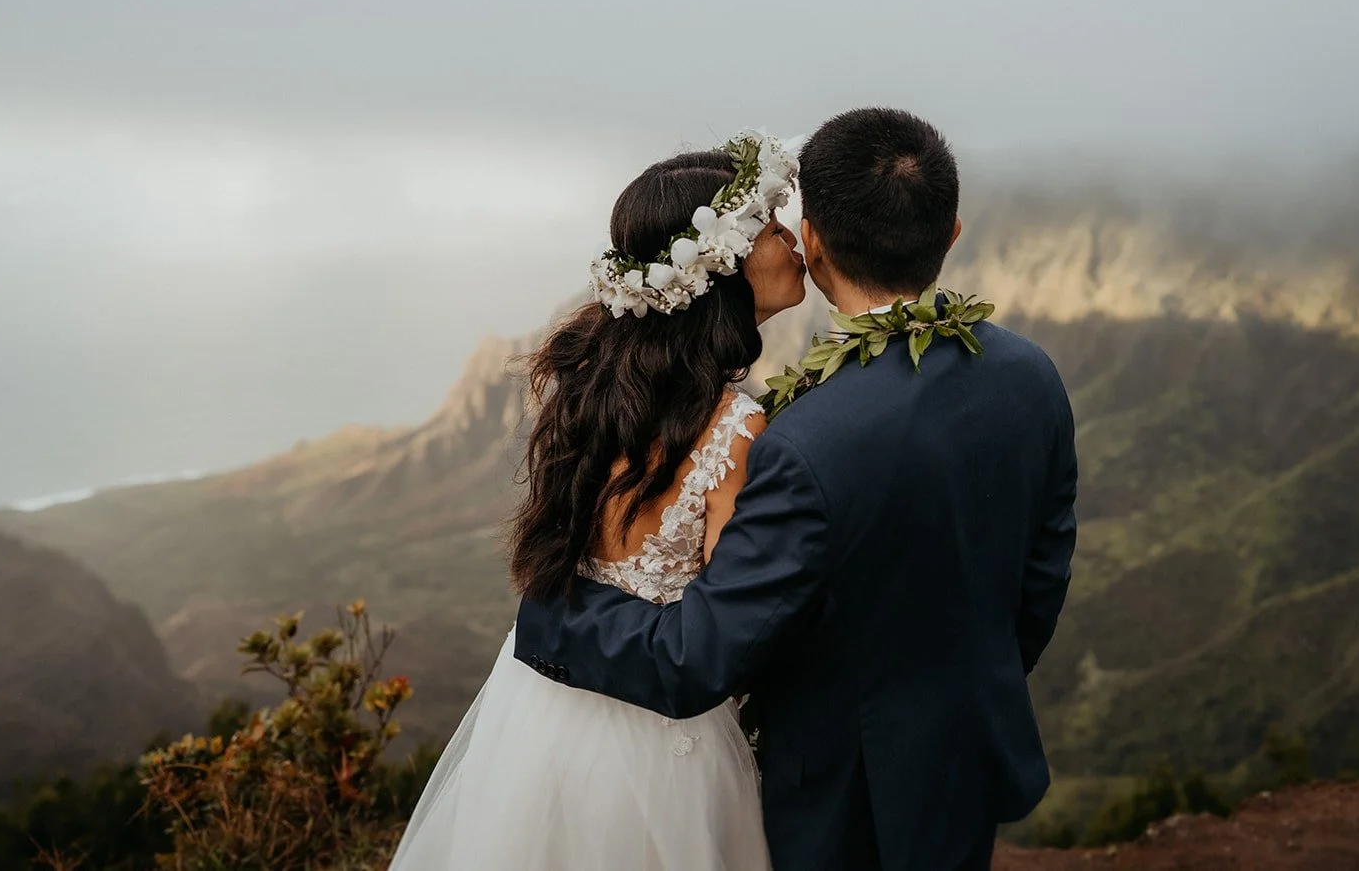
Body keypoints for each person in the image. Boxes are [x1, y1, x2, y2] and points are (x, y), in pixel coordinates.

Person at [514, 108, 1078, 871]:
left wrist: (548, 615)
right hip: (968, 757)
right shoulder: (1031, 377)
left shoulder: (803, 442)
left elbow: (699, 656)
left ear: (812, 242)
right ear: (951, 233)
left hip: (843, 800)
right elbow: (1042, 571)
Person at [389, 132, 806, 870]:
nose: (792, 239)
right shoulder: (736, 428)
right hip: (664, 740)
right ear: (722, 263)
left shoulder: (596, 391)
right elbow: (738, 630)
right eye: (772, 225)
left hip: (544, 710)